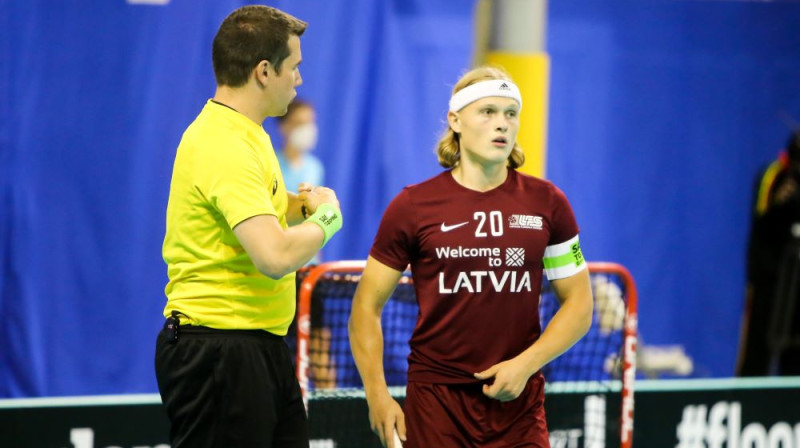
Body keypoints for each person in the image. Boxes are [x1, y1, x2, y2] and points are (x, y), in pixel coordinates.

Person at [348, 66, 593, 448]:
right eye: (488, 112)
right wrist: (377, 395)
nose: (502, 125)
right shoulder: (412, 206)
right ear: (455, 120)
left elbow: (579, 304)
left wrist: (525, 365)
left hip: (519, 406)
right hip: (436, 407)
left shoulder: (549, 203)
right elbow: (365, 307)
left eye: (511, 114)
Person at [154, 6, 343, 448]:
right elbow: (274, 257)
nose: (299, 78)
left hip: (260, 346)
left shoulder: (250, 132)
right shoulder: (223, 144)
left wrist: (300, 206)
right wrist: (328, 217)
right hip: (219, 352)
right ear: (263, 71)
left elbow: (263, 211)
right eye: (294, 67)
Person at [738, 131, 800, 376]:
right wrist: (784, 200)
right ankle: (748, 402)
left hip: (796, 281)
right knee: (757, 352)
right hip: (767, 279)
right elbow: (762, 218)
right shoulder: (772, 176)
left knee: (794, 353)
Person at [277, 99, 325, 192]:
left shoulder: (315, 167)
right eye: (300, 123)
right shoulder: (271, 161)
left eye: (310, 122)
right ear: (284, 126)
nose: (307, 128)